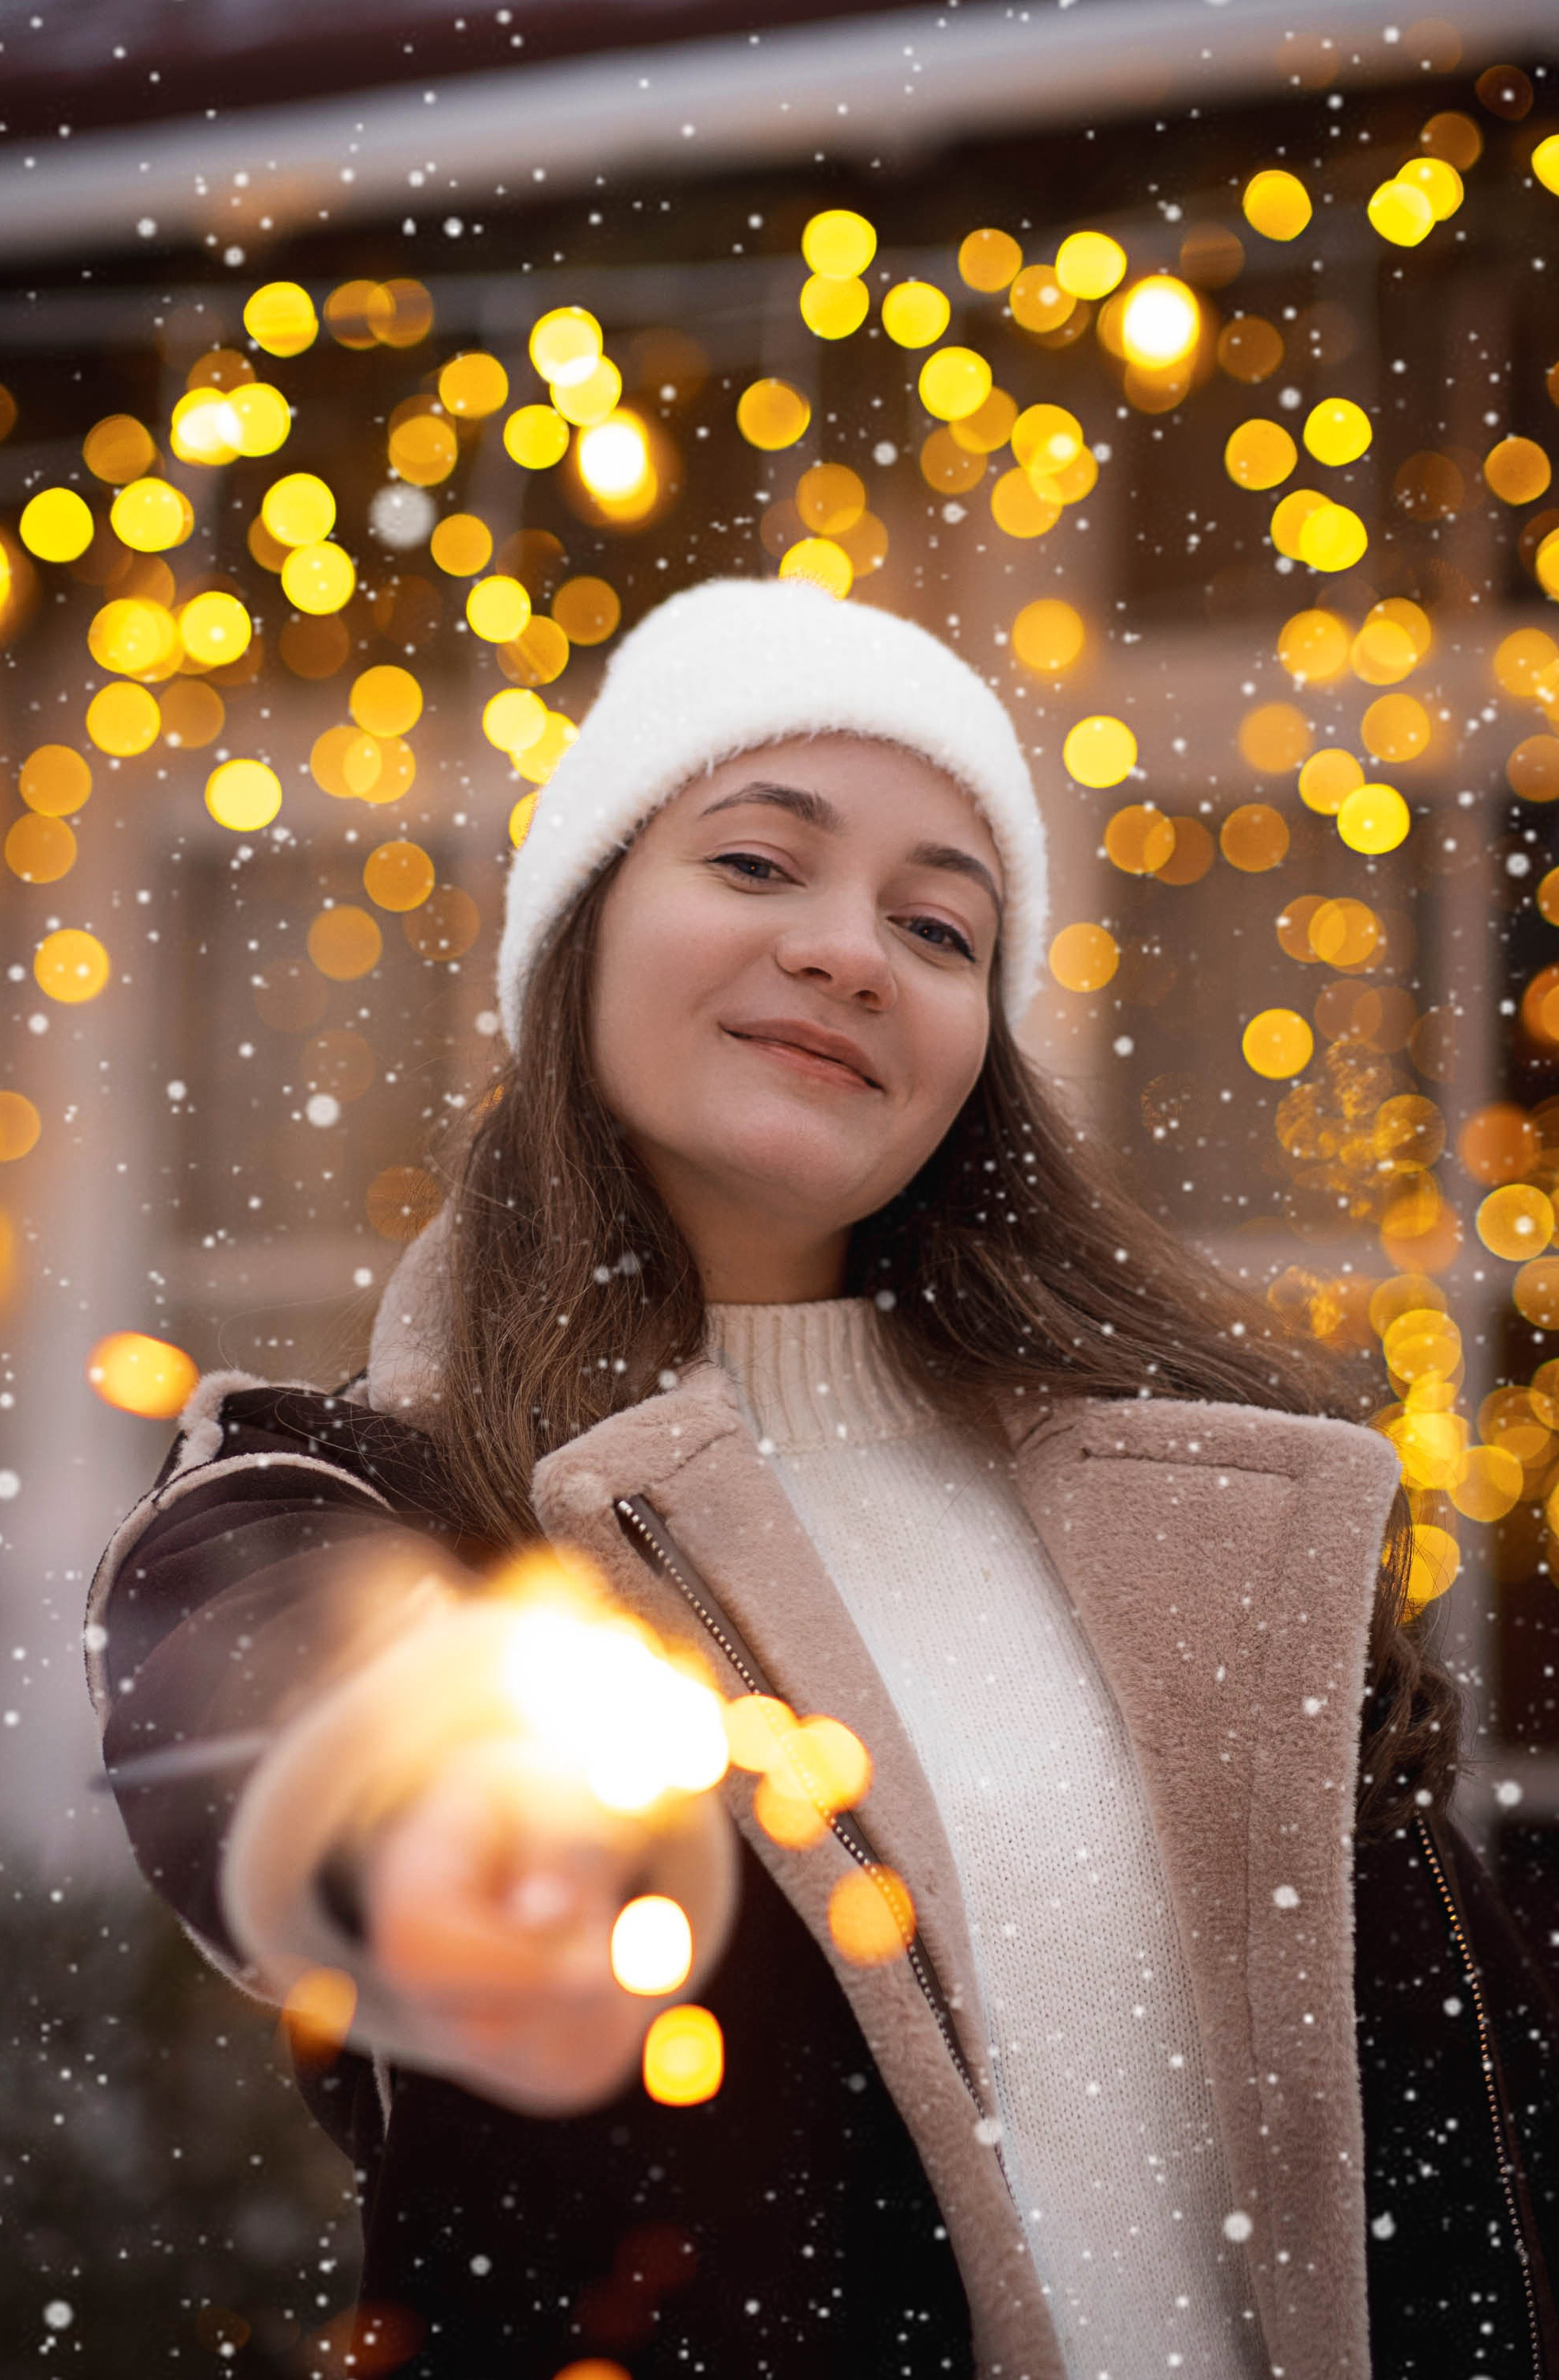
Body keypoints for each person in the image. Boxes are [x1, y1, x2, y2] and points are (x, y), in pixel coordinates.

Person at [88, 575, 1559, 2380]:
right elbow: (262, 1676)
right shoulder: (363, 1500)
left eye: (940, 930)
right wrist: (427, 1794)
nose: (854, 953)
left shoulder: (1224, 1528)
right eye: (759, 866)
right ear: (582, 931)